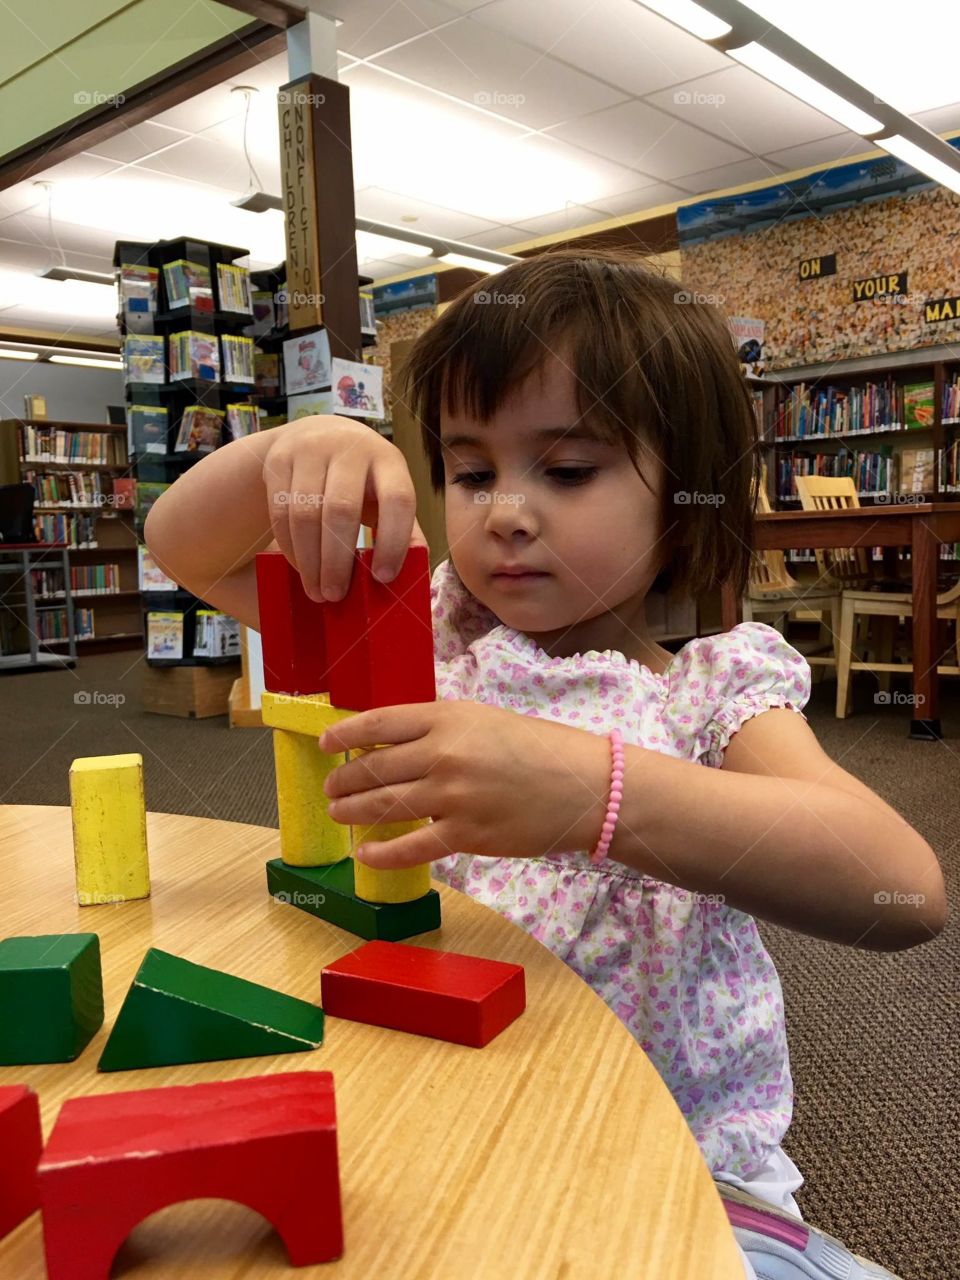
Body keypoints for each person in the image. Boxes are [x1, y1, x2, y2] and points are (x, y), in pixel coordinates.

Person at [144, 248, 945, 1280]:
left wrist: (593, 791)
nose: (506, 510)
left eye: (567, 470)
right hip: (440, 1128)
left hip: (674, 1169)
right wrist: (293, 451)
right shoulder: (416, 636)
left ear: (685, 498)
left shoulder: (710, 691)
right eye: (470, 471)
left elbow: (903, 887)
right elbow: (183, 548)